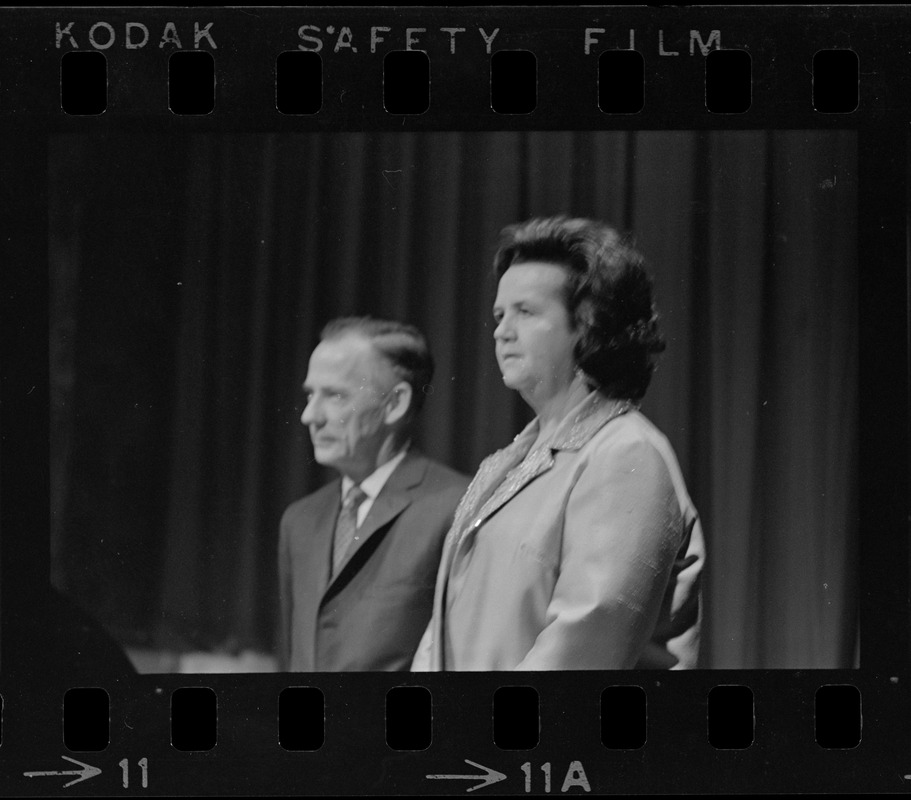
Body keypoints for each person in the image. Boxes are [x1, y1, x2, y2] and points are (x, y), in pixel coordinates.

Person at [412, 217, 704, 671]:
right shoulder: (503, 464)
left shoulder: (626, 452)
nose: (501, 331)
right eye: (499, 315)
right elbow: (443, 627)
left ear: (588, 325)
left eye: (524, 312)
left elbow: (584, 642)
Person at [278, 317, 468, 671]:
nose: (309, 416)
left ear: (394, 404)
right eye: (310, 394)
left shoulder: (456, 505)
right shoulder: (300, 520)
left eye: (334, 395)